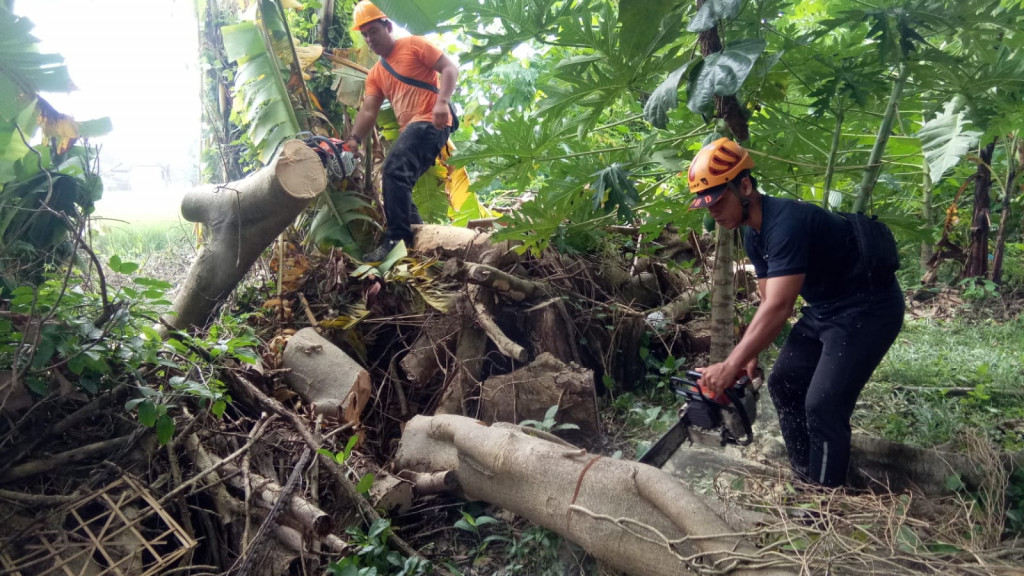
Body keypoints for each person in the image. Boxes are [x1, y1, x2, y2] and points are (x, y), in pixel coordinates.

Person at [688, 138, 904, 488]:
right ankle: (806, 476)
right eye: (705, 203)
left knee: (823, 405)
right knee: (784, 384)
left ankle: (824, 501)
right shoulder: (753, 234)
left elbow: (781, 306)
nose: (712, 210)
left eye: (718, 199)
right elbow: (767, 299)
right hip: (824, 309)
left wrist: (729, 365)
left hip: (868, 309)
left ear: (744, 186)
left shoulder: (785, 223)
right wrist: (749, 354)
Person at [345, 0, 459, 262]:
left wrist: (442, 103)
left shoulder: (414, 45)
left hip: (431, 120)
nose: (369, 39)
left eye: (373, 31)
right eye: (364, 35)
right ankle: (419, 242)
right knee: (398, 181)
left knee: (393, 171)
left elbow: (450, 68)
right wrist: (353, 140)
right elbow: (368, 112)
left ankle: (398, 238)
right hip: (414, 128)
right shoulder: (375, 74)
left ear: (387, 25)